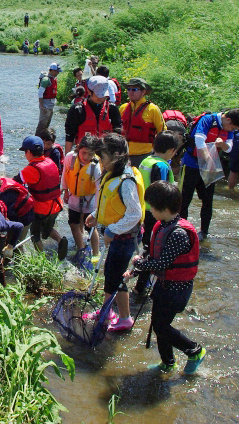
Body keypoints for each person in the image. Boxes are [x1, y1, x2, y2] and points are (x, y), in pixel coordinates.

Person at [124, 181, 205, 374]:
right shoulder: (162, 226)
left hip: (177, 290)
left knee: (161, 326)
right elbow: (153, 255)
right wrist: (134, 271)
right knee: (158, 324)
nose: (150, 210)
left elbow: (162, 264)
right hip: (164, 285)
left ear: (165, 208)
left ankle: (194, 350)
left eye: (152, 206)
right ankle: (168, 362)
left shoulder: (178, 233)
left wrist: (138, 264)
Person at [84, 133, 144, 332]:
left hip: (125, 237)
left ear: (117, 155)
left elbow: (134, 214)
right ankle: (107, 312)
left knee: (117, 278)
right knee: (110, 275)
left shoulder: (126, 181)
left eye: (103, 158)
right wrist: (95, 214)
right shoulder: (114, 174)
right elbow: (111, 203)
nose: (101, 162)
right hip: (117, 235)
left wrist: (112, 230)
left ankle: (125, 318)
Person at [180, 109, 239, 239]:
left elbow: (229, 148)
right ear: (228, 120)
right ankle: (181, 230)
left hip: (209, 167)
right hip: (191, 165)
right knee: (184, 200)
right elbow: (199, 141)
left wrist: (222, 144)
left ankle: (204, 232)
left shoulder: (229, 129)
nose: (231, 130)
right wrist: (209, 162)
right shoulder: (208, 120)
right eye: (232, 127)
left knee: (207, 201)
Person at [134, 131, 180, 294]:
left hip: (144, 211)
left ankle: (140, 281)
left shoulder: (146, 160)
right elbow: (161, 191)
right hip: (156, 214)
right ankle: (141, 286)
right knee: (153, 250)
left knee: (147, 246)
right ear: (172, 151)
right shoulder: (161, 165)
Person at [16, 135, 68, 259]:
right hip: (56, 205)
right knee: (48, 228)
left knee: (35, 235)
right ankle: (61, 240)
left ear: (29, 152)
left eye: (25, 152)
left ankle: (41, 259)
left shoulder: (31, 169)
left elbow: (15, 181)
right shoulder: (50, 162)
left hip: (41, 209)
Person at [61, 134, 102, 263]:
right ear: (78, 148)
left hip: (90, 200)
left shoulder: (96, 166)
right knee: (74, 223)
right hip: (73, 197)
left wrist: (97, 210)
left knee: (90, 226)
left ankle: (96, 253)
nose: (86, 157)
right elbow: (65, 174)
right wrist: (65, 191)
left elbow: (99, 188)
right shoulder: (70, 158)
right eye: (84, 153)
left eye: (90, 154)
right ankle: (81, 249)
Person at [64, 76, 121, 154]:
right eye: (98, 94)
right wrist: (67, 158)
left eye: (103, 94)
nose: (101, 97)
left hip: (105, 154)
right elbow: (69, 136)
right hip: (84, 155)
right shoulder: (77, 110)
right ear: (89, 91)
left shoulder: (112, 109)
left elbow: (118, 135)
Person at [119, 78, 166, 168]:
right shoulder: (123, 108)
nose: (131, 92)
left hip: (144, 155)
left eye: (134, 89)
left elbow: (162, 132)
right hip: (123, 154)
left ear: (143, 92)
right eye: (129, 89)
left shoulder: (152, 109)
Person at [36, 63, 61, 135]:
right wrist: (41, 105)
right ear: (52, 70)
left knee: (46, 126)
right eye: (57, 71)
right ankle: (37, 140)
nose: (58, 73)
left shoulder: (53, 79)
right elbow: (40, 93)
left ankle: (44, 141)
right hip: (45, 106)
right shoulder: (46, 80)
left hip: (50, 106)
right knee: (41, 126)